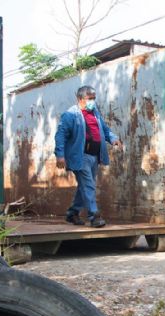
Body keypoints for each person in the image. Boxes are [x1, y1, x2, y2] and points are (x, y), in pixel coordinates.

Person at [55, 85, 121, 228]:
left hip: (95, 156)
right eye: (89, 98)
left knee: (84, 186)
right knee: (88, 185)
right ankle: (94, 216)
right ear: (80, 99)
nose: (92, 101)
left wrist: (113, 138)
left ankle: (72, 213)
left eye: (94, 98)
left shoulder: (95, 112)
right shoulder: (70, 115)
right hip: (80, 156)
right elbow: (60, 135)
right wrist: (60, 155)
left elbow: (104, 129)